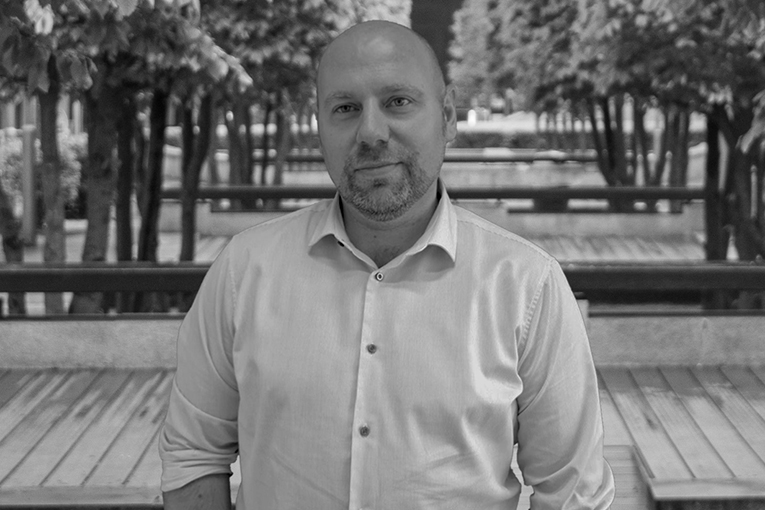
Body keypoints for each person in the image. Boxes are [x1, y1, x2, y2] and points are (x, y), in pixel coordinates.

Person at [160, 20, 615, 510]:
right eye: (345, 108)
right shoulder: (243, 272)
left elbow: (573, 493)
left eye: (398, 101)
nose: (371, 132)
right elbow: (193, 454)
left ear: (448, 116)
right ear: (319, 128)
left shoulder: (527, 285)